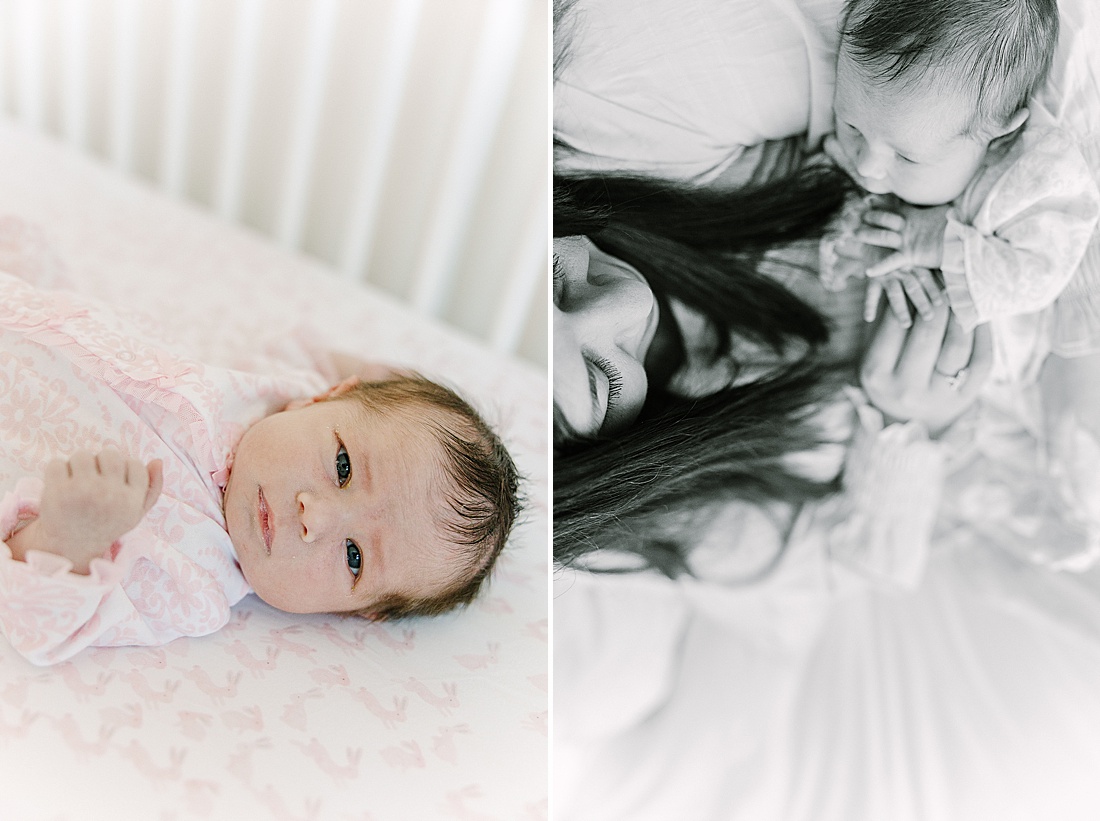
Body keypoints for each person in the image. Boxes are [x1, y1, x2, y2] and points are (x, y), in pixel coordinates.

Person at [0, 271, 519, 666]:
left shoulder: (193, 581)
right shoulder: (282, 390)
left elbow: (42, 626)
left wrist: (71, 535)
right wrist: (384, 383)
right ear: (328, 397)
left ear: (351, 612)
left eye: (355, 557)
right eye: (343, 467)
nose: (315, 519)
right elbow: (327, 358)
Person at [823, 0, 1100, 391]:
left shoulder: (1038, 176)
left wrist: (940, 243)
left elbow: (1041, 272)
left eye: (905, 156)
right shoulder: (873, 145)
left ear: (999, 137)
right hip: (898, 365)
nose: (867, 165)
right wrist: (870, 243)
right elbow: (831, 198)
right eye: (849, 123)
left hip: (1007, 376)